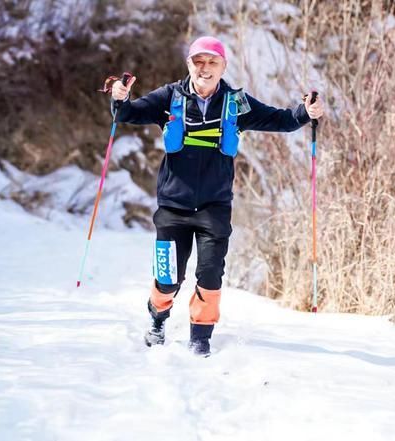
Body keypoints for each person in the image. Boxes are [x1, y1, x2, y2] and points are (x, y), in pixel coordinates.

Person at [111, 36, 324, 356]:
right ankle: (158, 316)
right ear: (189, 65)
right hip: (172, 206)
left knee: (210, 274)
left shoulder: (235, 103)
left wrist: (305, 112)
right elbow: (127, 114)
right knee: (167, 278)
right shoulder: (169, 97)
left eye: (212, 62)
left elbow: (281, 120)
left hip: (215, 206)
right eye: (198, 61)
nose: (205, 68)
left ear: (223, 67)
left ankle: (201, 335)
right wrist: (120, 98)